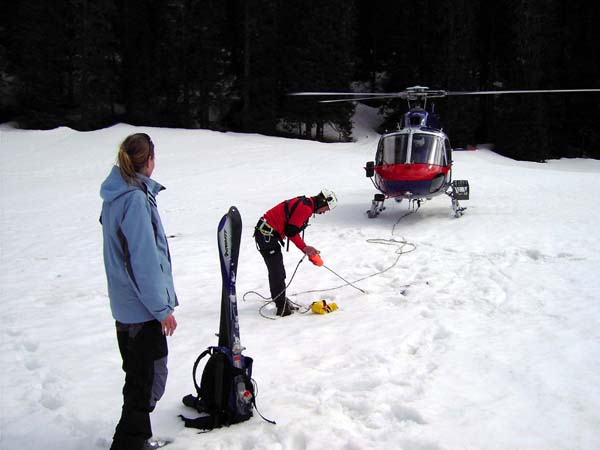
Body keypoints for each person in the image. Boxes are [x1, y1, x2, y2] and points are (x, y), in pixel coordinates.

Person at [100, 133, 178, 450]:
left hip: (127, 306)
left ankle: (133, 439)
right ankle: (130, 442)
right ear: (148, 161)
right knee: (148, 380)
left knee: (139, 377)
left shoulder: (118, 195)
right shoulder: (132, 199)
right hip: (141, 310)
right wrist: (162, 309)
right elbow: (142, 261)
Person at [254, 189, 337, 317]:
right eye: (326, 209)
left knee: (277, 271)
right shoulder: (306, 208)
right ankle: (281, 307)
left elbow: (290, 229)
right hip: (267, 236)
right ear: (322, 202)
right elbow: (291, 231)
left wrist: (305, 248)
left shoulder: (306, 204)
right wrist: (305, 248)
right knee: (277, 272)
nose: (324, 213)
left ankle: (280, 300)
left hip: (268, 235)